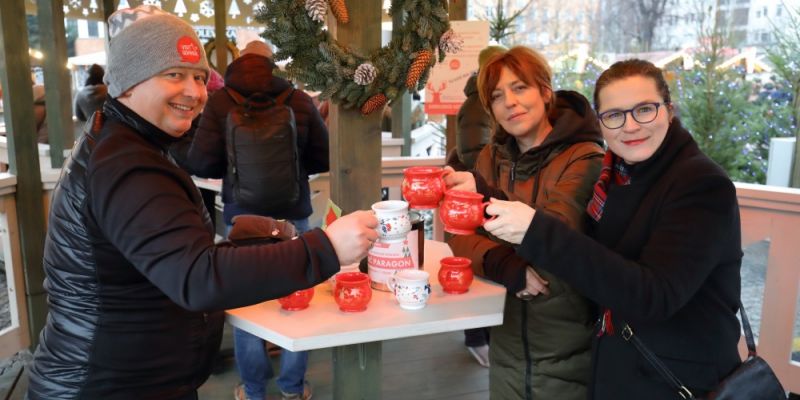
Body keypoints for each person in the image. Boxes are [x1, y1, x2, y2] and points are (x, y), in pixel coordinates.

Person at [26, 6, 377, 399]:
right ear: (128, 82)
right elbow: (197, 278)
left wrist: (235, 243)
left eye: (198, 77)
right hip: (107, 386)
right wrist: (325, 248)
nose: (193, 92)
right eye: (173, 74)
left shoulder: (128, 144)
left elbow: (164, 260)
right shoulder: (127, 164)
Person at [470, 59, 743, 399]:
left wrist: (534, 230)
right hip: (618, 370)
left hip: (678, 380)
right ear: (601, 122)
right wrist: (485, 196)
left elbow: (653, 296)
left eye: (644, 109)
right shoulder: (618, 176)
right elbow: (594, 257)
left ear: (669, 110)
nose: (630, 126)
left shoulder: (700, 184)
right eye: (614, 115)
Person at [445, 46, 605, 399]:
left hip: (567, 339)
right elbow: (458, 232)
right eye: (497, 96)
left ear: (545, 92)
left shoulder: (584, 157)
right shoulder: (493, 156)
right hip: (506, 336)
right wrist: (501, 263)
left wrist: (484, 203)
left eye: (520, 88)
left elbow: (555, 229)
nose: (510, 103)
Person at [179, 39, 328, 400]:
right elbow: (322, 157)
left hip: (242, 216)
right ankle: (293, 387)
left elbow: (200, 163)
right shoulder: (298, 98)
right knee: (298, 298)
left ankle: (254, 389)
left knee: (246, 303)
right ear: (271, 65)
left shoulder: (220, 101)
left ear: (238, 62)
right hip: (294, 215)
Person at [445, 44, 506, 368]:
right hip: (474, 195)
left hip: (485, 191)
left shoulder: (483, 102)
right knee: (474, 261)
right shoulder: (476, 104)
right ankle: (476, 337)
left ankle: (482, 335)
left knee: (483, 262)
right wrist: (496, 171)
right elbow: (473, 152)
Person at [74, 63, 108, 129]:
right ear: (103, 75)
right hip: (112, 130)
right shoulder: (110, 91)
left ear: (88, 77)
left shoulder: (80, 95)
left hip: (92, 132)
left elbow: (80, 116)